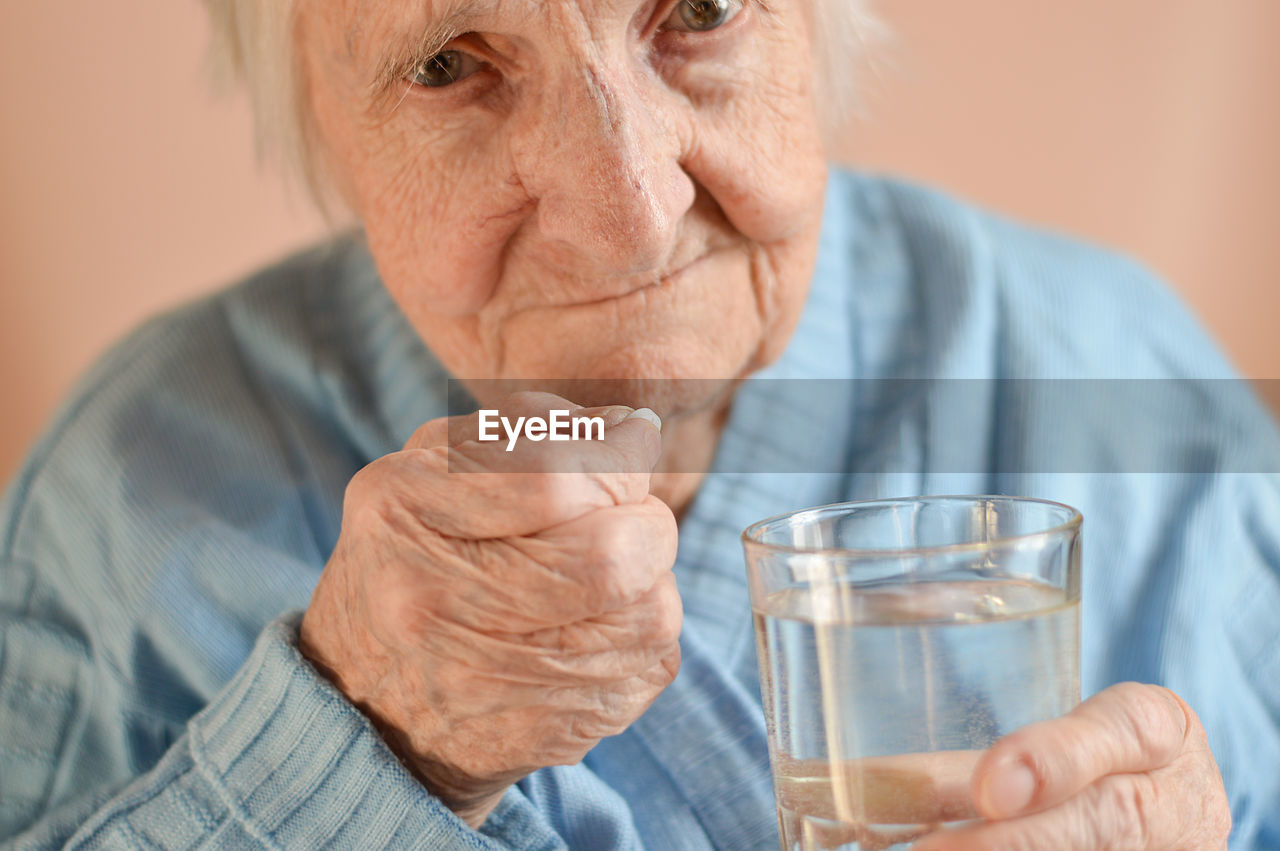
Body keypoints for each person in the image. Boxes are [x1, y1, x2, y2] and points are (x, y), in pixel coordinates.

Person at [1, 0, 1276, 847]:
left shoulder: (1119, 384)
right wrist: (365, 737)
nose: (628, 210)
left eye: (702, 5)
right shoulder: (139, 483)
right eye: (448, 62)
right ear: (323, 129)